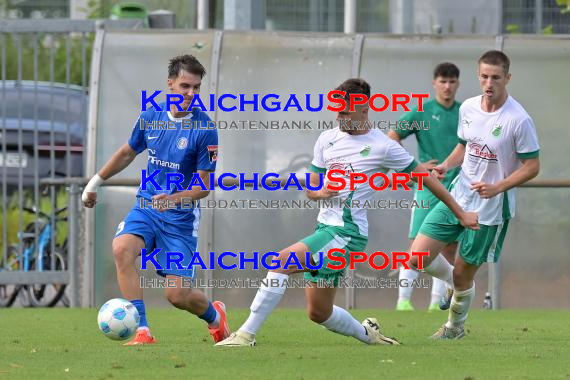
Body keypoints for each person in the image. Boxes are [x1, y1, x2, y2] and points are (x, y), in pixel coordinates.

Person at [215, 78, 478, 347]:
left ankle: (246, 335)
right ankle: (369, 335)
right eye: (337, 110)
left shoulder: (383, 146)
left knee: (281, 261)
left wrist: (460, 213)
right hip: (325, 229)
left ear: (364, 109)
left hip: (347, 232)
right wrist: (320, 192)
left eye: (345, 111)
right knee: (319, 313)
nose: (339, 116)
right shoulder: (327, 139)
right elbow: (312, 186)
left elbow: (427, 179)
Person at [82, 54, 231, 345]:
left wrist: (175, 199)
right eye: (185, 86)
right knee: (122, 248)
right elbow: (127, 152)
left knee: (177, 295)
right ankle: (142, 330)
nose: (191, 93)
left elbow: (204, 186)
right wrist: (94, 182)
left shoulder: (205, 129)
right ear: (171, 84)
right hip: (147, 206)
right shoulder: (150, 117)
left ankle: (215, 316)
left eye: (196, 88)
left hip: (180, 218)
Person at [406, 50, 540, 339]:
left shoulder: (519, 119)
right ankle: (453, 285)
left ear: (507, 78)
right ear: (478, 76)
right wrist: (444, 165)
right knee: (417, 257)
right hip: (460, 194)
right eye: (484, 76)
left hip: (490, 208)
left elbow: (532, 167)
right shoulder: (467, 107)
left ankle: (455, 328)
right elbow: (464, 147)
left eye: (495, 77)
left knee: (463, 273)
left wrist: (498, 187)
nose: (489, 83)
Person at [388, 63, 462, 312]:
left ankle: (435, 304)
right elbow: (392, 137)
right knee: (417, 243)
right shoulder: (422, 112)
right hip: (428, 186)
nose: (447, 86)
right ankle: (403, 301)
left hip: (458, 187)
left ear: (458, 84)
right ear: (434, 83)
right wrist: (416, 167)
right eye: (443, 81)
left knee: (449, 246)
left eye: (452, 81)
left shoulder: (466, 112)